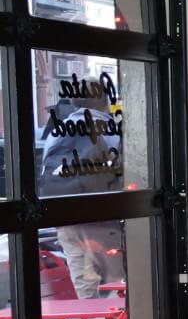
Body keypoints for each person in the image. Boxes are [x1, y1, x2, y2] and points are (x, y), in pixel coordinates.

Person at [37, 74, 126, 298]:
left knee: (85, 286)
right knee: (118, 282)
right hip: (101, 219)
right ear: (106, 99)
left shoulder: (59, 130)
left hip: (66, 218)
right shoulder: (109, 130)